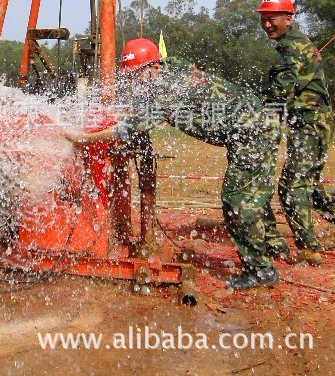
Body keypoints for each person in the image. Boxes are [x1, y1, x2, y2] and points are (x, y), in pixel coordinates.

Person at [65, 38, 285, 290]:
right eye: (132, 76)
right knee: (255, 194)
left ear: (153, 68)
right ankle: (274, 246)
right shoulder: (172, 66)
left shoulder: (166, 93)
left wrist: (84, 139)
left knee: (236, 199)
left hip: (252, 133)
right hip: (254, 124)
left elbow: (126, 129)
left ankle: (260, 270)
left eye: (138, 75)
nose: (135, 81)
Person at [258, 0, 335, 264]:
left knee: (291, 188)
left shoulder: (291, 48)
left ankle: (310, 247)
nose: (268, 24)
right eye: (264, 20)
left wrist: (254, 110)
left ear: (288, 18)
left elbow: (281, 90)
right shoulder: (293, 44)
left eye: (273, 19)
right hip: (310, 123)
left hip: (311, 124)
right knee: (309, 186)